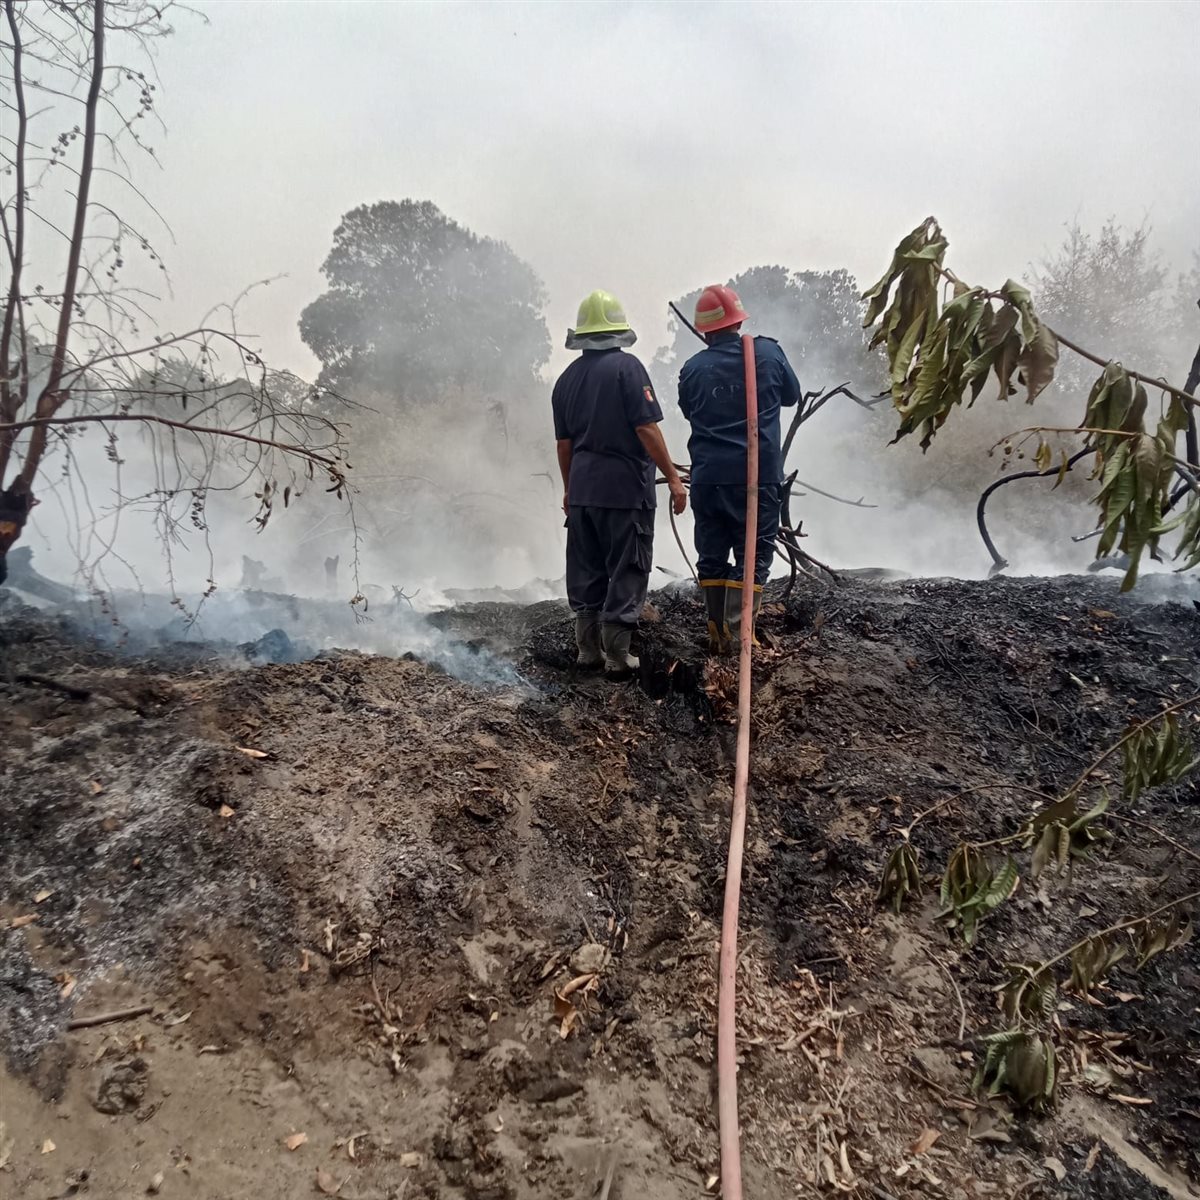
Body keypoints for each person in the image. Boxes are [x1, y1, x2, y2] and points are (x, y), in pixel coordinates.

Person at [552, 290, 687, 677]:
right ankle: (617, 655)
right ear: (617, 331)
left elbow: (565, 445)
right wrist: (675, 479)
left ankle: (587, 651)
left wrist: (569, 490)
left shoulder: (565, 381)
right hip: (624, 491)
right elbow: (646, 428)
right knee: (628, 567)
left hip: (582, 493)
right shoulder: (628, 369)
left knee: (587, 567)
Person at [677, 284, 801, 652]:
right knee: (754, 554)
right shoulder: (767, 352)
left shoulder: (692, 369)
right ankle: (738, 634)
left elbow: (689, 411)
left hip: (708, 480)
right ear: (738, 319)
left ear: (704, 330)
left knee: (712, 554)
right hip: (755, 478)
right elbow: (791, 396)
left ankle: (719, 631)